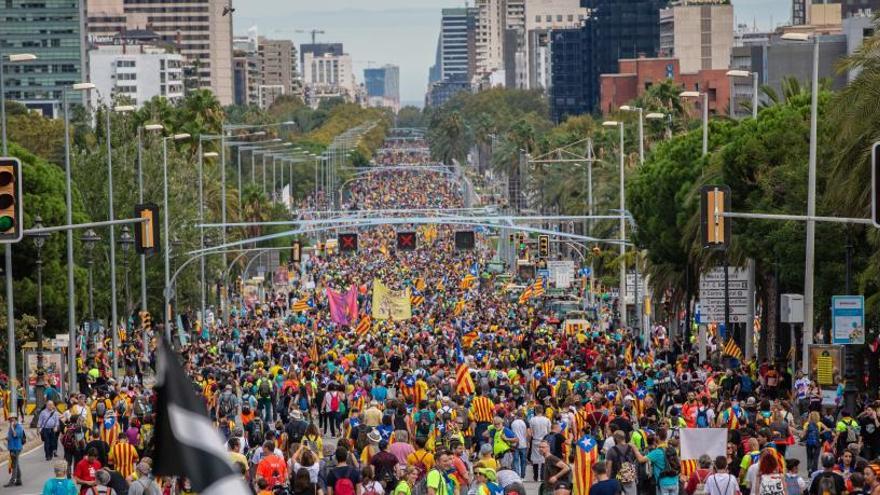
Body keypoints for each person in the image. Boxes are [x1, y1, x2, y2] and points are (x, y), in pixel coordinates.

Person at [5, 413, 25, 487]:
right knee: (16, 464)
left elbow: (15, 435)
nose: (10, 420)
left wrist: (12, 428)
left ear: (15, 418)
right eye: (9, 419)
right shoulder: (11, 427)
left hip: (16, 448)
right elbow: (11, 436)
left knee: (14, 465)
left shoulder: (19, 426)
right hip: (12, 448)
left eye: (11, 419)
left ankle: (12, 481)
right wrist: (7, 438)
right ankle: (19, 480)